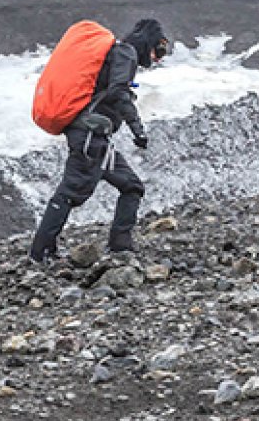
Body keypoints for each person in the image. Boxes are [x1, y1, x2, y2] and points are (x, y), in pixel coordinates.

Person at [28, 18, 169, 262]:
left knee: (131, 186)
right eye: (160, 50)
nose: (157, 59)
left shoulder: (116, 53)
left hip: (95, 138)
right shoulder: (125, 53)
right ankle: (40, 252)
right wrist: (138, 129)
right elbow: (119, 93)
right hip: (90, 136)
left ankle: (120, 246)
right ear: (150, 42)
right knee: (70, 192)